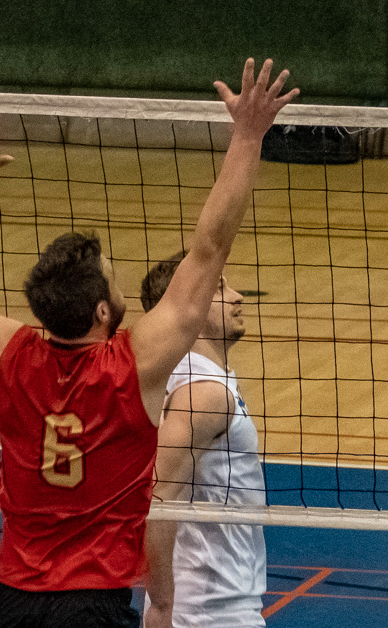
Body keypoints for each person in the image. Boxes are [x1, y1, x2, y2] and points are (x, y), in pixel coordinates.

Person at [0, 58, 297, 628]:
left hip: (11, 601)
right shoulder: (134, 367)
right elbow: (209, 248)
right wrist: (248, 135)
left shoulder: (10, 355)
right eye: (114, 278)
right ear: (103, 310)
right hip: (92, 604)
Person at [140, 255, 266, 628]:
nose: (238, 296)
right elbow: (156, 499)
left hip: (212, 604)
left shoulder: (190, 379)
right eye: (219, 288)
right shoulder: (203, 395)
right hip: (209, 612)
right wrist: (162, 607)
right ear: (190, 305)